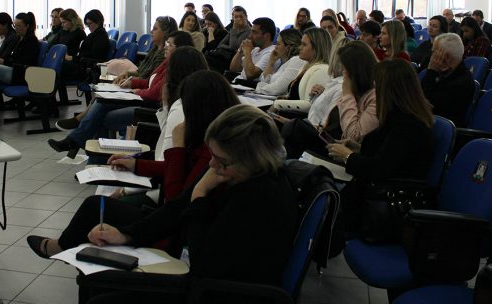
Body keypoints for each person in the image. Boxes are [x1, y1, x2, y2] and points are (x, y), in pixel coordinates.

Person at [27, 105, 297, 303]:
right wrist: (126, 234)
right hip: (204, 276)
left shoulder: (260, 198)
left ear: (252, 158)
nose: (213, 164)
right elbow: (176, 208)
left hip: (218, 290)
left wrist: (200, 196)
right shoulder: (237, 173)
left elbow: (204, 261)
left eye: (222, 160)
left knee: (101, 294)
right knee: (97, 280)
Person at [327, 59, 434, 235]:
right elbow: (386, 153)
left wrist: (348, 156)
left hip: (386, 202)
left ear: (389, 90)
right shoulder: (399, 116)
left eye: (377, 87)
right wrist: (357, 148)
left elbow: (380, 168)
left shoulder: (408, 125)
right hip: (377, 190)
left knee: (322, 191)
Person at [48, 34, 198, 156]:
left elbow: (154, 93)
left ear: (180, 49)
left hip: (149, 108)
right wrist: (132, 83)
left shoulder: (176, 67)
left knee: (100, 115)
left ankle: (87, 152)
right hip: (142, 99)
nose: (165, 47)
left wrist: (137, 91)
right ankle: (81, 147)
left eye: (169, 45)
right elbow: (149, 81)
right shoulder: (167, 62)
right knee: (101, 102)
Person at [108, 70, 239, 208]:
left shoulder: (213, 151)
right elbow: (176, 168)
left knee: (101, 206)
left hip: (174, 210)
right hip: (172, 203)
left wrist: (177, 146)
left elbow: (174, 201)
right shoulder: (211, 136)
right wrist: (135, 164)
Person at [281, 41, 379, 159]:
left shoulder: (374, 98)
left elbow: (353, 137)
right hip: (330, 138)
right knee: (293, 126)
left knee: (295, 128)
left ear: (354, 72)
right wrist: (319, 96)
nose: (343, 74)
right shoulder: (355, 91)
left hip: (347, 155)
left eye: (344, 70)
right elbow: (325, 120)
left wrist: (347, 95)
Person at [0, 12, 40, 119]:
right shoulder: (20, 38)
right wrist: (5, 61)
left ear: (27, 26)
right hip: (14, 71)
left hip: (22, 75)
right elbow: (14, 58)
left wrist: (4, 62)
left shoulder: (31, 41)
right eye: (15, 25)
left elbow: (24, 63)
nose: (16, 28)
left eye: (19, 26)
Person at [421, 33, 475, 127]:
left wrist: (431, 72)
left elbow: (425, 103)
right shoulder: (446, 73)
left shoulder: (460, 83)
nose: (431, 57)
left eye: (434, 53)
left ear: (446, 58)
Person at [270, 27, 332, 110]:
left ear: (317, 48)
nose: (299, 47)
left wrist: (277, 104)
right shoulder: (306, 67)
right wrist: (285, 98)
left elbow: (309, 105)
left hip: (296, 117)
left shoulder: (321, 70)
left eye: (304, 44)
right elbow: (297, 96)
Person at [62, 9, 110, 81]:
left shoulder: (101, 37)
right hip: (83, 64)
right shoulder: (93, 34)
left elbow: (95, 58)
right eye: (87, 24)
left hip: (87, 68)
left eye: (90, 23)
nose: (88, 26)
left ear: (98, 22)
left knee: (60, 66)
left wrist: (73, 58)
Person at [255, 28, 304, 96]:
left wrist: (258, 87)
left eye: (278, 44)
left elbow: (277, 89)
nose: (275, 47)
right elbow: (264, 81)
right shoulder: (284, 64)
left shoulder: (296, 60)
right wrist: (271, 63)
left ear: (288, 47)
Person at [228, 17, 277, 83]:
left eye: (254, 32)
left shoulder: (271, 53)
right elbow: (234, 69)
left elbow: (250, 75)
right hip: (237, 82)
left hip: (247, 86)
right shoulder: (256, 49)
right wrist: (240, 51)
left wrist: (247, 52)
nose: (250, 36)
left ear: (267, 36)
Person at [205, 5, 250, 72]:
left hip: (235, 60)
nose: (238, 19)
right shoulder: (232, 31)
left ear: (246, 17)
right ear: (233, 18)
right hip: (225, 57)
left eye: (241, 16)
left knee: (207, 60)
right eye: (236, 17)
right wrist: (229, 48)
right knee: (205, 58)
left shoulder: (249, 32)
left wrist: (234, 29)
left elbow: (233, 46)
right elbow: (220, 45)